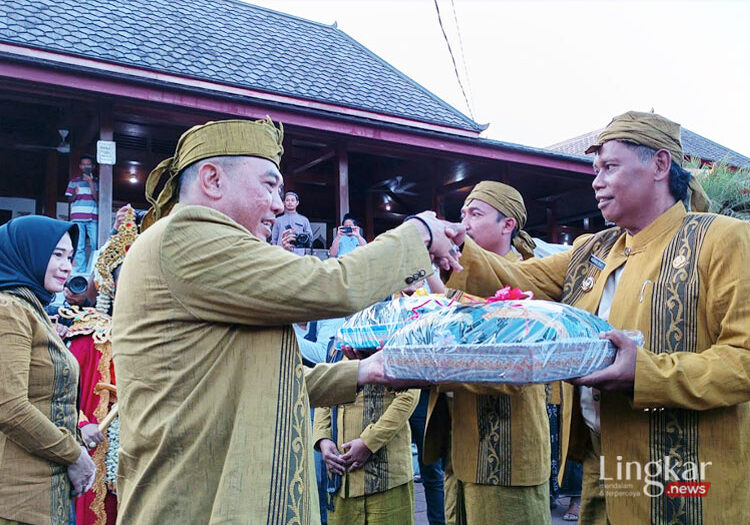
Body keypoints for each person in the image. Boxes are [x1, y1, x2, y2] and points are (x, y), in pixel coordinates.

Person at [112, 117, 464, 525]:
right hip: (198, 501)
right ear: (212, 179)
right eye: (269, 185)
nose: (280, 205)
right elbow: (329, 284)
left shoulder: (205, 250)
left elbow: (271, 377)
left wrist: (369, 370)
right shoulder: (186, 235)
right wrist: (417, 231)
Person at [441, 111, 750, 523]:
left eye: (609, 167)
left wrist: (647, 373)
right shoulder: (594, 249)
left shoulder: (721, 239)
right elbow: (510, 276)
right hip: (601, 467)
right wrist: (446, 243)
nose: (596, 181)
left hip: (682, 472)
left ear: (659, 164)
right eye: (594, 169)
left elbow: (743, 357)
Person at [424, 181, 551, 525]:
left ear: (507, 224)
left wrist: (435, 366)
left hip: (507, 449)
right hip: (460, 444)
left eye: (475, 214)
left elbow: (517, 369)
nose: (463, 222)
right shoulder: (459, 273)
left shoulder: (531, 279)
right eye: (462, 213)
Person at [0, 215, 97, 525]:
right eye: (56, 255)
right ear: (27, 252)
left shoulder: (33, 309)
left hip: (50, 495)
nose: (68, 266)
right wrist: (74, 454)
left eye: (70, 257)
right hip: (20, 501)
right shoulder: (10, 310)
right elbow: (10, 407)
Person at [62, 207, 139, 525]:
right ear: (112, 283)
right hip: (101, 446)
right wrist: (82, 425)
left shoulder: (166, 332)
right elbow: (62, 392)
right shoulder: (90, 332)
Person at [314, 379, 420, 524]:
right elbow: (325, 390)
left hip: (386, 478)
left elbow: (409, 395)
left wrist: (369, 442)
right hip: (342, 480)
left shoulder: (399, 355)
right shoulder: (334, 354)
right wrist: (323, 439)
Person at [66, 155, 99, 273]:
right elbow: (69, 200)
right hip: (77, 217)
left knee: (96, 244)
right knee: (79, 246)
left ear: (93, 167)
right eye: (84, 164)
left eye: (88, 164)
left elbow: (98, 199)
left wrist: (90, 182)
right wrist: (75, 193)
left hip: (92, 217)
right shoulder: (73, 182)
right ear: (80, 166)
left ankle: (93, 271)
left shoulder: (97, 182)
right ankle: (80, 272)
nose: (86, 166)